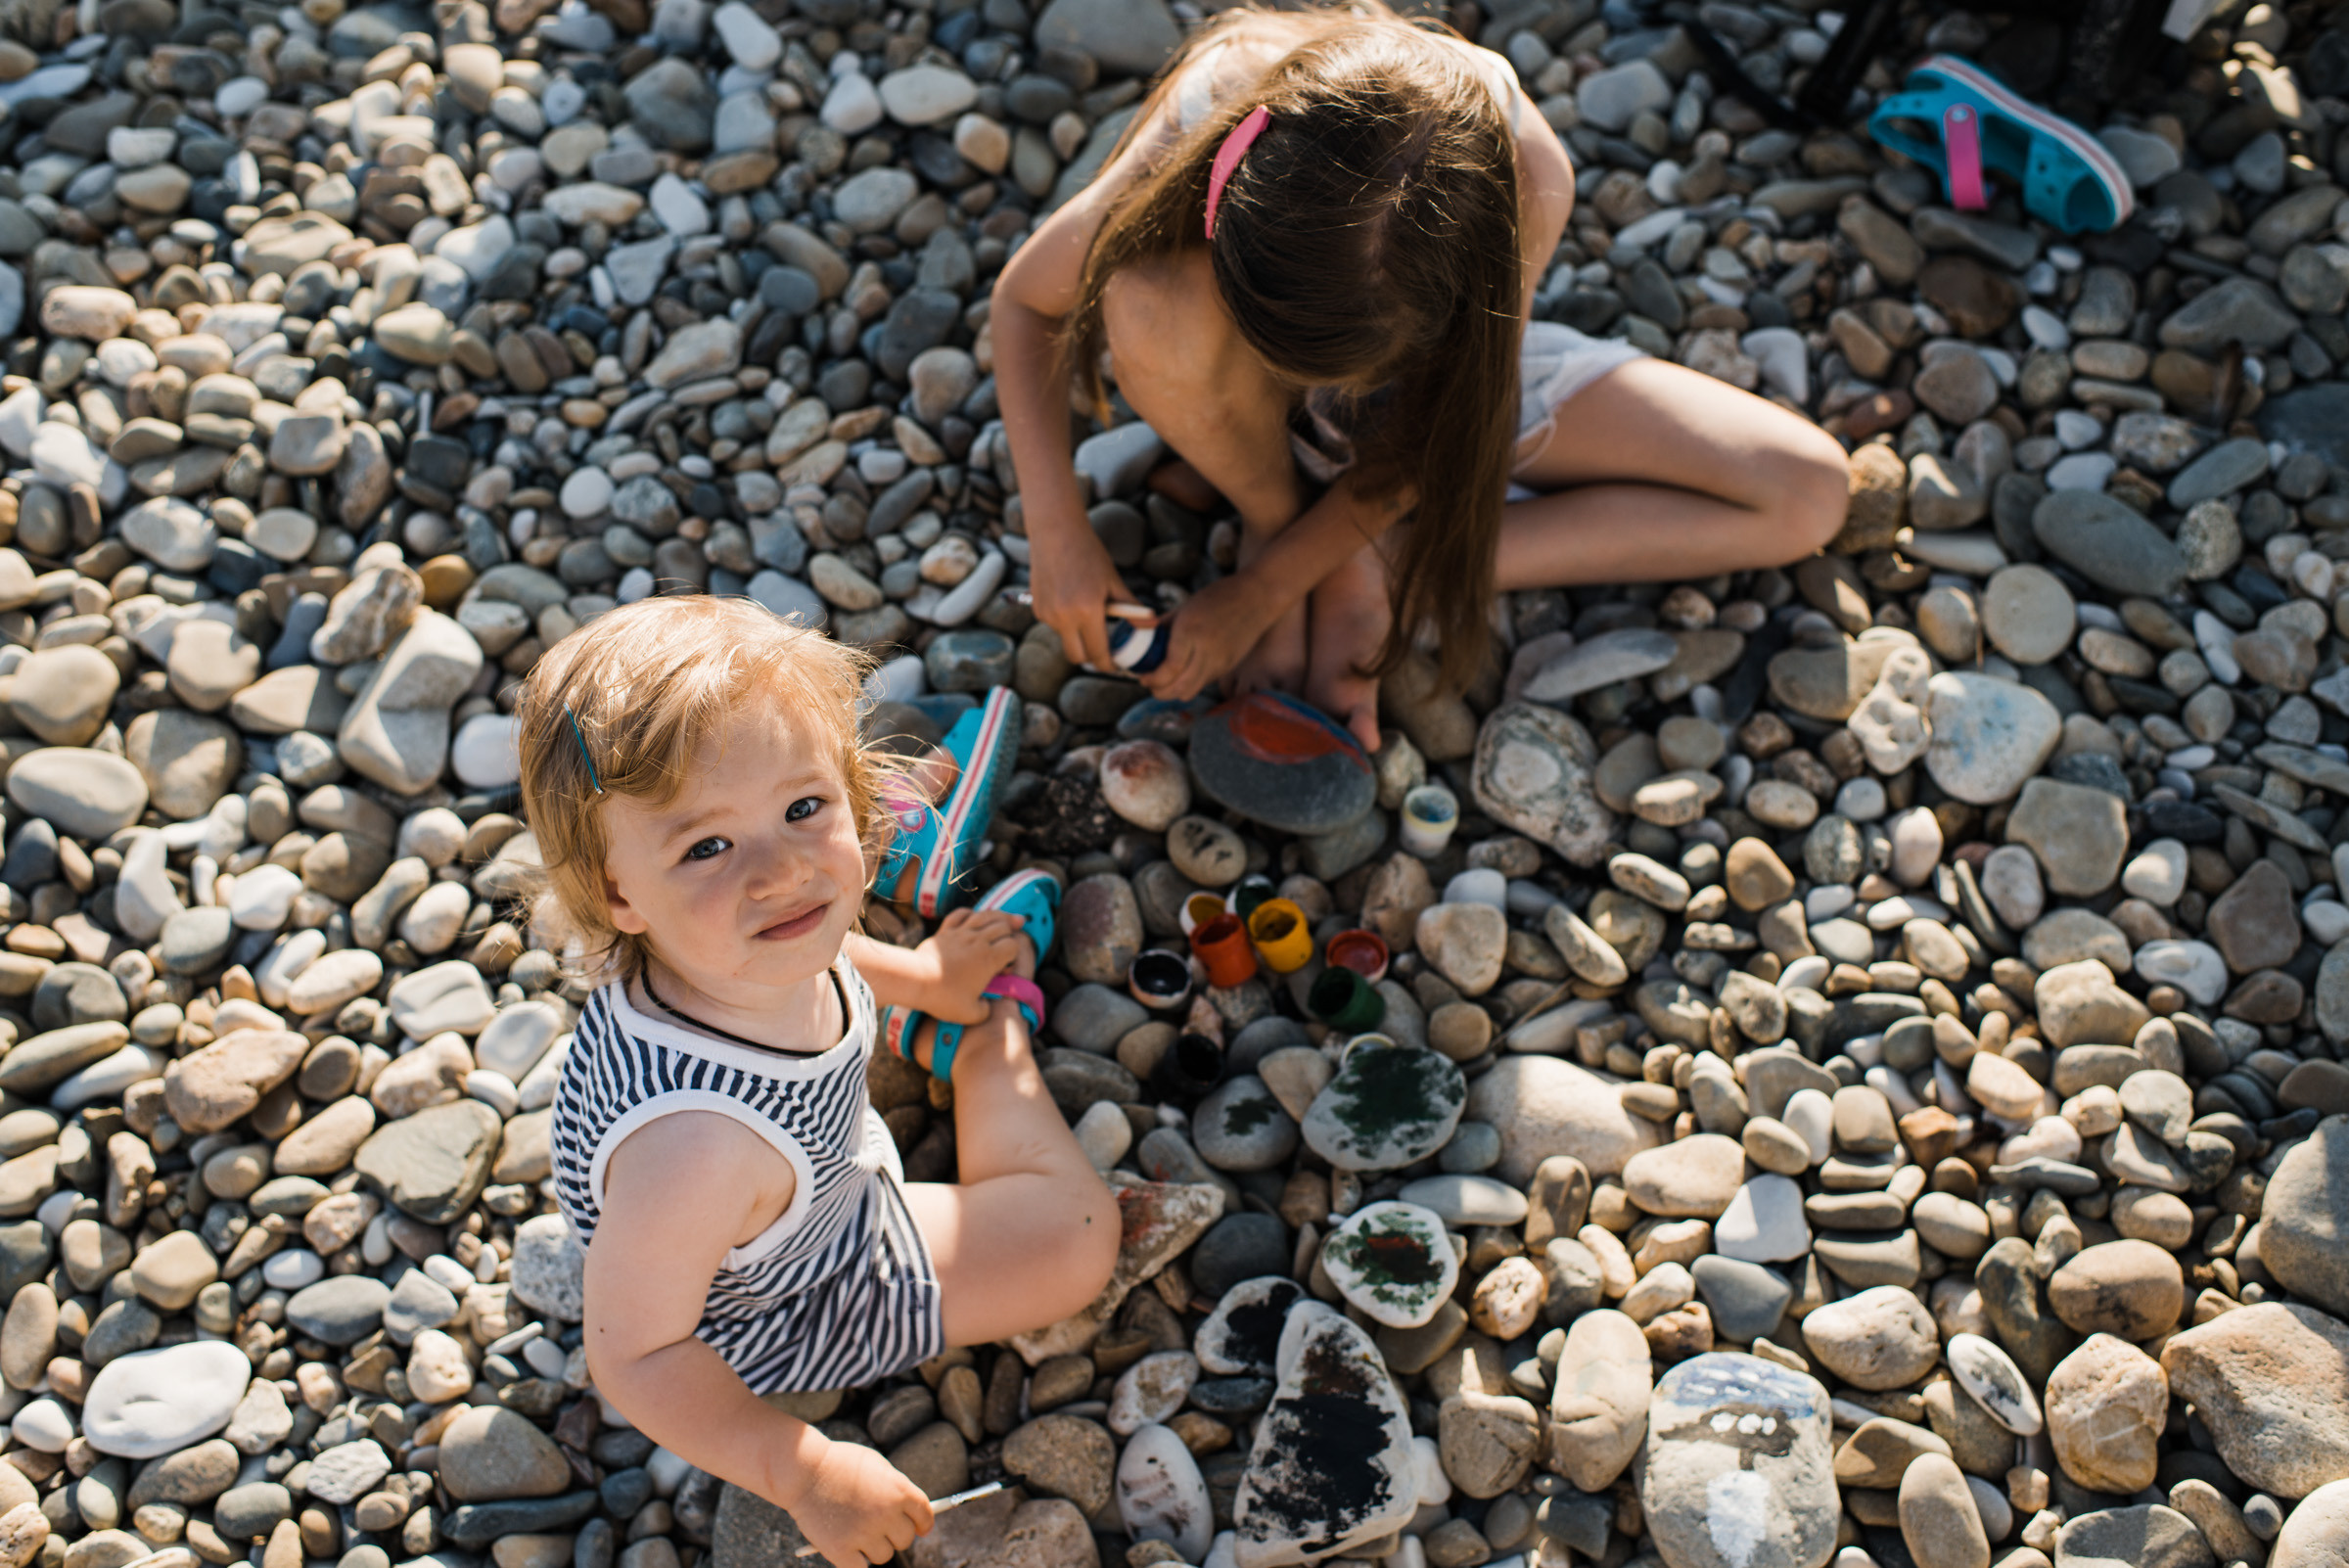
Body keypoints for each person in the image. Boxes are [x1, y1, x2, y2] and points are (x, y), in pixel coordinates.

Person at [993, 0, 1851, 752]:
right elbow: (1024, 303)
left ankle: (1393, 561)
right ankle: (1272, 508)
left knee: (1805, 492)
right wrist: (1058, 528)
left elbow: (1436, 429)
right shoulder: (1212, 123)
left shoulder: (1524, 180)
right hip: (1234, 402)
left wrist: (1268, 588)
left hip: (1421, 418)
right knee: (1145, 302)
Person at [519, 596, 1120, 1568]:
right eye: (706, 846)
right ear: (618, 893)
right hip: (794, 1299)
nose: (781, 872)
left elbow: (826, 951)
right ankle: (982, 1041)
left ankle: (936, 991)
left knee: (817, 924)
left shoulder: (720, 945)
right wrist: (798, 1470)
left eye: (806, 808)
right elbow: (633, 1356)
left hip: (796, 1186)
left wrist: (922, 974)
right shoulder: (695, 1152)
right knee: (1078, 1244)